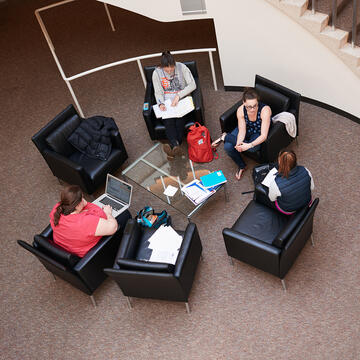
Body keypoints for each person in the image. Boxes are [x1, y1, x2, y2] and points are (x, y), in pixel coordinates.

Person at [212, 88, 271, 180]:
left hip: (258, 132)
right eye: (249, 107)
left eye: (255, 106)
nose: (252, 109)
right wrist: (239, 143)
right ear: (243, 103)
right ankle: (242, 166)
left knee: (253, 148)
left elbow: (264, 135)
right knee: (227, 147)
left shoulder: (265, 110)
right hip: (246, 129)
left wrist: (249, 145)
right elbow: (242, 130)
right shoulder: (240, 110)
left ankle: (225, 136)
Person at [49, 185, 118, 257]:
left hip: (63, 249)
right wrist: (108, 213)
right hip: (85, 256)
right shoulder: (85, 222)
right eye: (82, 197)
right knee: (123, 216)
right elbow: (113, 228)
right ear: (77, 205)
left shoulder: (57, 209)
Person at [152, 51, 196, 159]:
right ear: (162, 67)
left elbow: (192, 85)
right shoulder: (156, 73)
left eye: (172, 68)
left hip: (181, 101)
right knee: (169, 121)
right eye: (167, 70)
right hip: (167, 103)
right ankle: (176, 145)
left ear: (174, 64)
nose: (170, 71)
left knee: (179, 120)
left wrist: (178, 96)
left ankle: (172, 147)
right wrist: (161, 103)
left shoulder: (182, 67)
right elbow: (158, 92)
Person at [266, 150, 314, 214]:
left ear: (280, 163)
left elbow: (272, 199)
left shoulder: (276, 183)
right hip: (307, 203)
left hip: (289, 209)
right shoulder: (305, 170)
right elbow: (312, 188)